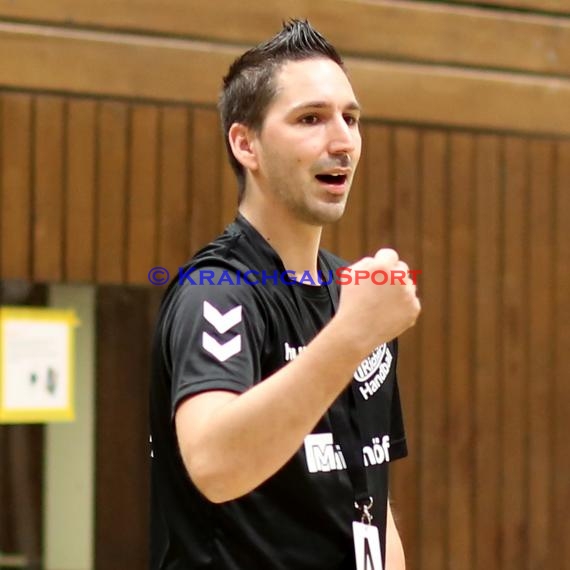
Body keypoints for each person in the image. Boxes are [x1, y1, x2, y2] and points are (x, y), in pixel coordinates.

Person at [150, 19, 420, 570]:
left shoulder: (352, 295)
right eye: (311, 119)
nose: (342, 140)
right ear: (245, 143)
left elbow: (371, 500)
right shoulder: (217, 291)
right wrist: (352, 335)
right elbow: (214, 463)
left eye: (351, 118)